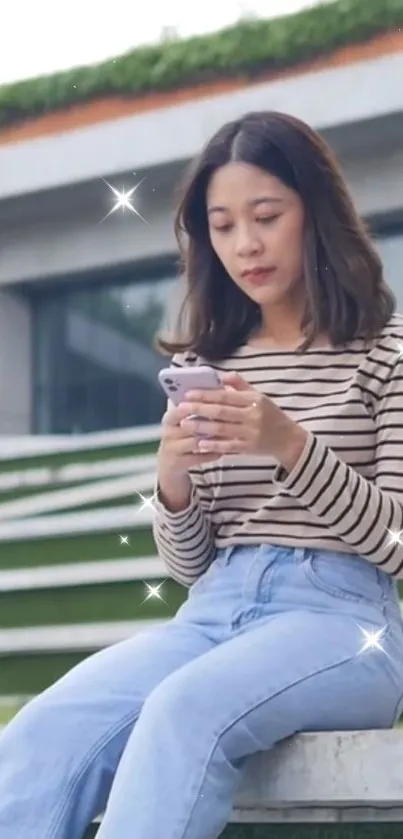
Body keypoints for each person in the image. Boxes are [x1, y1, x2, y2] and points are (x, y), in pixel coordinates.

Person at [1, 111, 403, 839]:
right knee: (45, 730)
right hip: (214, 612)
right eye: (221, 226)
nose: (244, 244)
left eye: (265, 216)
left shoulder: (387, 352)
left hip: (343, 621)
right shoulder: (209, 365)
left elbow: (396, 540)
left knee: (183, 710)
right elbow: (190, 566)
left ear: (315, 213)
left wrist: (289, 443)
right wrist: (173, 482)